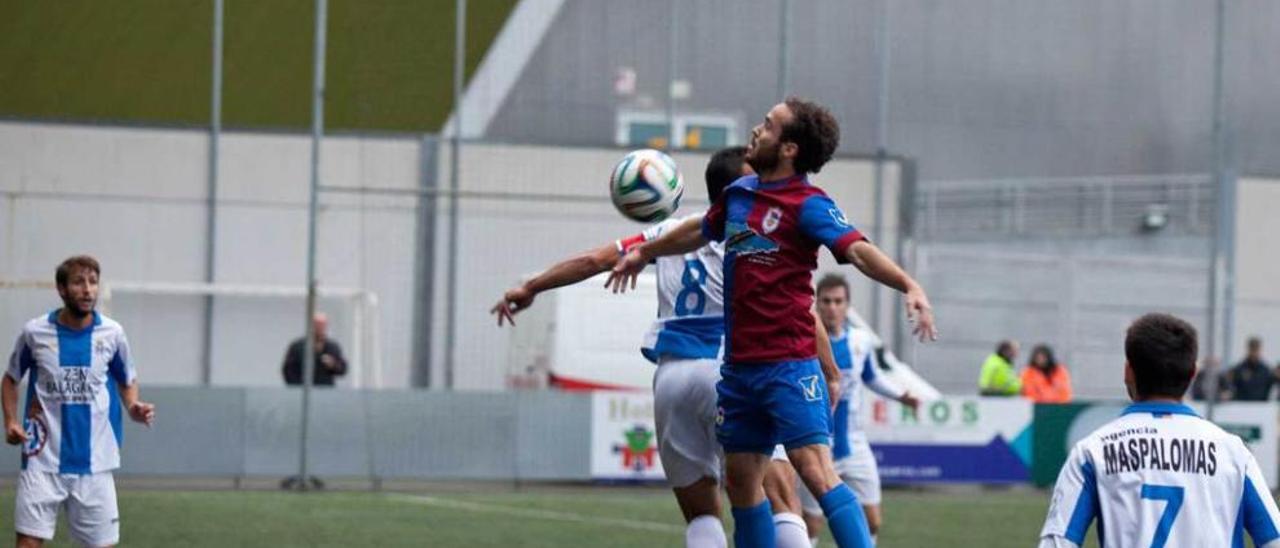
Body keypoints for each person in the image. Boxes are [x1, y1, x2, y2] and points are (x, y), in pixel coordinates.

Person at [609, 97, 937, 548]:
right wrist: (645, 251)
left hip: (789, 366)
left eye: (768, 125)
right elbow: (699, 230)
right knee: (743, 483)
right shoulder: (739, 195)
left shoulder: (809, 204)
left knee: (815, 471)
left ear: (789, 149)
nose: (756, 131)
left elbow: (858, 249)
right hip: (738, 371)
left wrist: (908, 285)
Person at [491, 146, 829, 548]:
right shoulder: (754, 233)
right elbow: (799, 308)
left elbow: (595, 259)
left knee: (702, 515)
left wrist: (531, 287)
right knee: (779, 499)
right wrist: (831, 369)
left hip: (673, 379)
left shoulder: (669, 233)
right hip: (734, 371)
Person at [1038, 313, 1280, 546]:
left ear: (1128, 371)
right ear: (1193, 373)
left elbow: (1057, 542)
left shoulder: (1092, 452)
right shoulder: (1234, 454)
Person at [3, 255, 156, 548]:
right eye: (78, 282)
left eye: (93, 282)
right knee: (27, 544)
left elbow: (127, 379)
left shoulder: (113, 334)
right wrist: (9, 420)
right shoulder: (35, 332)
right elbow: (10, 378)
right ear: (62, 289)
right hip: (42, 460)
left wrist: (133, 405)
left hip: (95, 463)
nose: (87, 289)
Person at [799, 273, 921, 546]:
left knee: (872, 519)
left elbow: (872, 377)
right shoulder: (804, 340)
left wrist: (901, 396)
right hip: (817, 443)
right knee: (811, 523)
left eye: (838, 301)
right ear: (817, 304)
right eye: (826, 301)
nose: (832, 307)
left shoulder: (861, 341)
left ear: (847, 306)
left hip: (854, 443)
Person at [281, 313, 347, 387]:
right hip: (302, 391)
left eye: (323, 325)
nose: (320, 328)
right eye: (317, 325)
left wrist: (333, 365)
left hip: (326, 392)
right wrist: (297, 388)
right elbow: (287, 370)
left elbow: (343, 370)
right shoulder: (297, 346)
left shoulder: (332, 347)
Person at [1228, 337, 1274, 401]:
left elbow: (1270, 386)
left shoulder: (1266, 370)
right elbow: (1232, 387)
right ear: (1248, 349)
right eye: (1252, 349)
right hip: (1242, 406)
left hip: (1261, 407)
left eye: (1256, 349)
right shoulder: (1239, 369)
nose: (1254, 353)